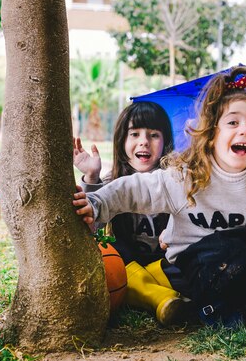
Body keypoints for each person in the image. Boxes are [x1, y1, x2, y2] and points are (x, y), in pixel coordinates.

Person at [73, 65, 246, 327]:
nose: (245, 130)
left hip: (244, 263)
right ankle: (214, 311)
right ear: (212, 133)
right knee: (229, 248)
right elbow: (133, 190)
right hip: (200, 267)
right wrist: (97, 204)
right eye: (233, 122)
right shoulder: (185, 178)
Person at [74, 101, 190, 326]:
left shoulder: (176, 181)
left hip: (164, 266)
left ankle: (143, 291)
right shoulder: (112, 183)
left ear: (166, 141)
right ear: (121, 141)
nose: (144, 141)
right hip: (125, 264)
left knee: (191, 263)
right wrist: (91, 177)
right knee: (110, 252)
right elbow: (91, 227)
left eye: (153, 135)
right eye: (134, 134)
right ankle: (161, 298)